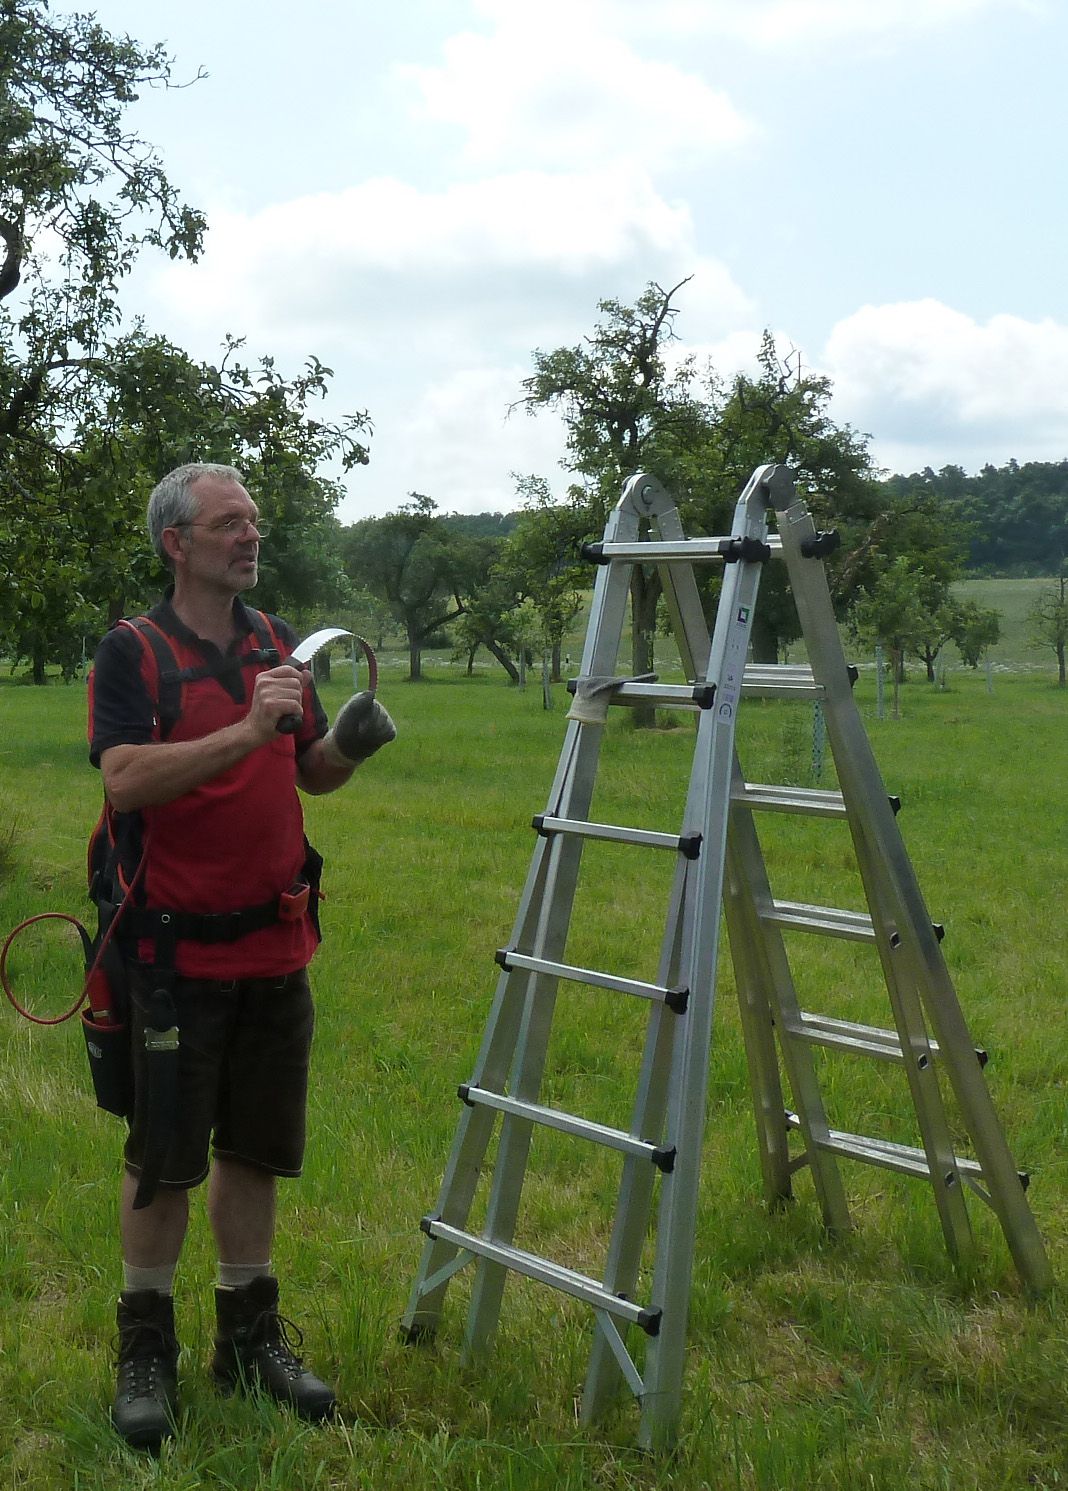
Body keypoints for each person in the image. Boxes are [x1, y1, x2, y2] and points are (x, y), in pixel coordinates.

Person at [87, 462, 396, 1452]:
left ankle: (249, 1339)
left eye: (254, 522)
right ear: (178, 543)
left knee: (255, 1152)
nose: (249, 537)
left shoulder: (273, 643)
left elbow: (305, 770)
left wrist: (346, 742)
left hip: (276, 949)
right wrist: (244, 727)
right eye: (230, 525)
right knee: (161, 1166)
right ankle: (145, 1349)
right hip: (171, 961)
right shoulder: (132, 653)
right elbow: (128, 781)